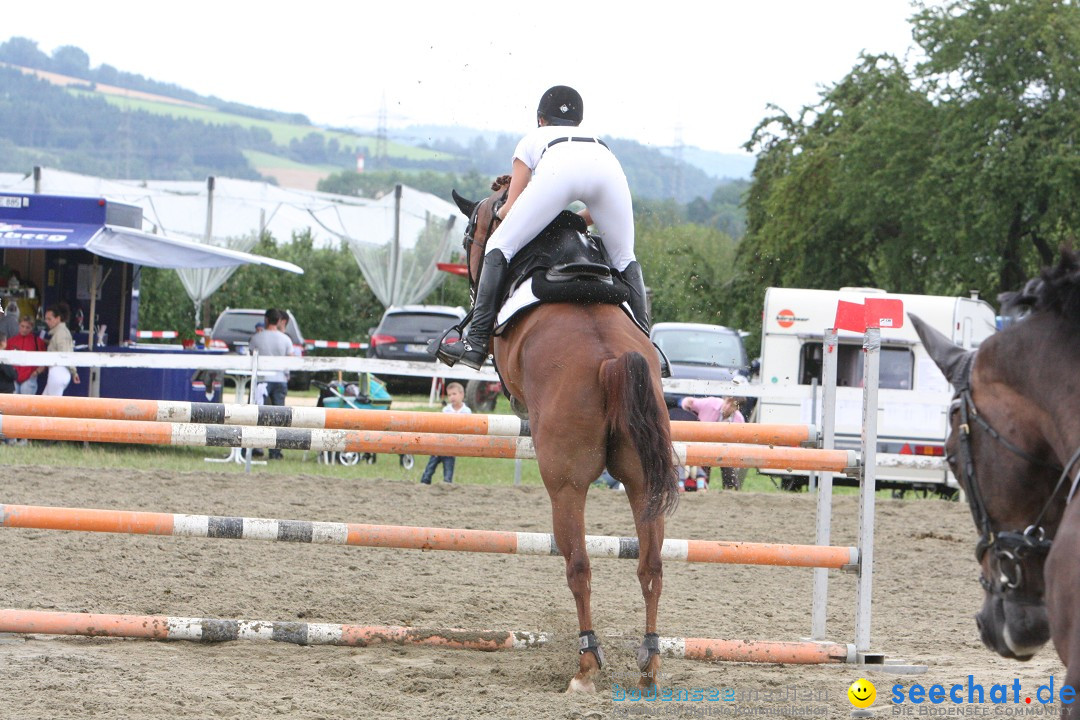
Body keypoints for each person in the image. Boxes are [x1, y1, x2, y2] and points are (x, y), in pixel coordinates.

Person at [438, 85, 646, 370]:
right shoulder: (598, 142)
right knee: (625, 258)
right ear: (578, 123)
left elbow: (510, 209)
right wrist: (568, 218)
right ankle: (648, 346)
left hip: (558, 173)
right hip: (608, 173)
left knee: (500, 245)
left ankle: (475, 343)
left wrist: (499, 209)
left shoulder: (532, 139)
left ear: (540, 119)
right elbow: (594, 214)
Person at [247, 308, 292, 459]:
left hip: (262, 381)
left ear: (266, 320)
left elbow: (251, 356)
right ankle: (275, 451)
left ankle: (255, 446)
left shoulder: (256, 338)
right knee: (279, 417)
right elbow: (290, 359)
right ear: (279, 321)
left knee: (259, 415)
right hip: (279, 380)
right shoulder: (286, 339)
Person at [680, 388, 747, 490]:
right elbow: (686, 402)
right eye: (727, 402)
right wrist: (687, 403)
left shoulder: (739, 420)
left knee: (729, 466)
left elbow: (738, 443)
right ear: (724, 399)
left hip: (724, 450)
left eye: (732, 405)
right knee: (703, 466)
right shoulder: (710, 403)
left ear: (737, 408)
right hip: (702, 447)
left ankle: (730, 490)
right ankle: (704, 488)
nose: (727, 407)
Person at [419, 382, 472, 484]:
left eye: (454, 394)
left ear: (462, 394)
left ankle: (447, 483)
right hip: (440, 444)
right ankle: (424, 482)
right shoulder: (446, 410)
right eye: (449, 395)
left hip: (452, 446)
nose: (451, 397)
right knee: (430, 467)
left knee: (448, 469)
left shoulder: (467, 411)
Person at [43, 303, 79, 396]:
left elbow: (66, 354)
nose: (46, 321)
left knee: (51, 406)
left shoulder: (61, 333)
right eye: (46, 318)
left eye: (49, 319)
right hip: (59, 372)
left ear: (58, 318)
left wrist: (74, 372)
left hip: (58, 371)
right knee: (44, 404)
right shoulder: (60, 332)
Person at [9, 316, 46, 394]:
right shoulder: (11, 341)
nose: (24, 329)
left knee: (25, 404)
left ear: (32, 328)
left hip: (29, 378)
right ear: (18, 325)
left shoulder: (38, 342)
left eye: (27, 327)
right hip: (13, 378)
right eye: (22, 326)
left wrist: (36, 372)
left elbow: (44, 361)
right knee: (12, 404)